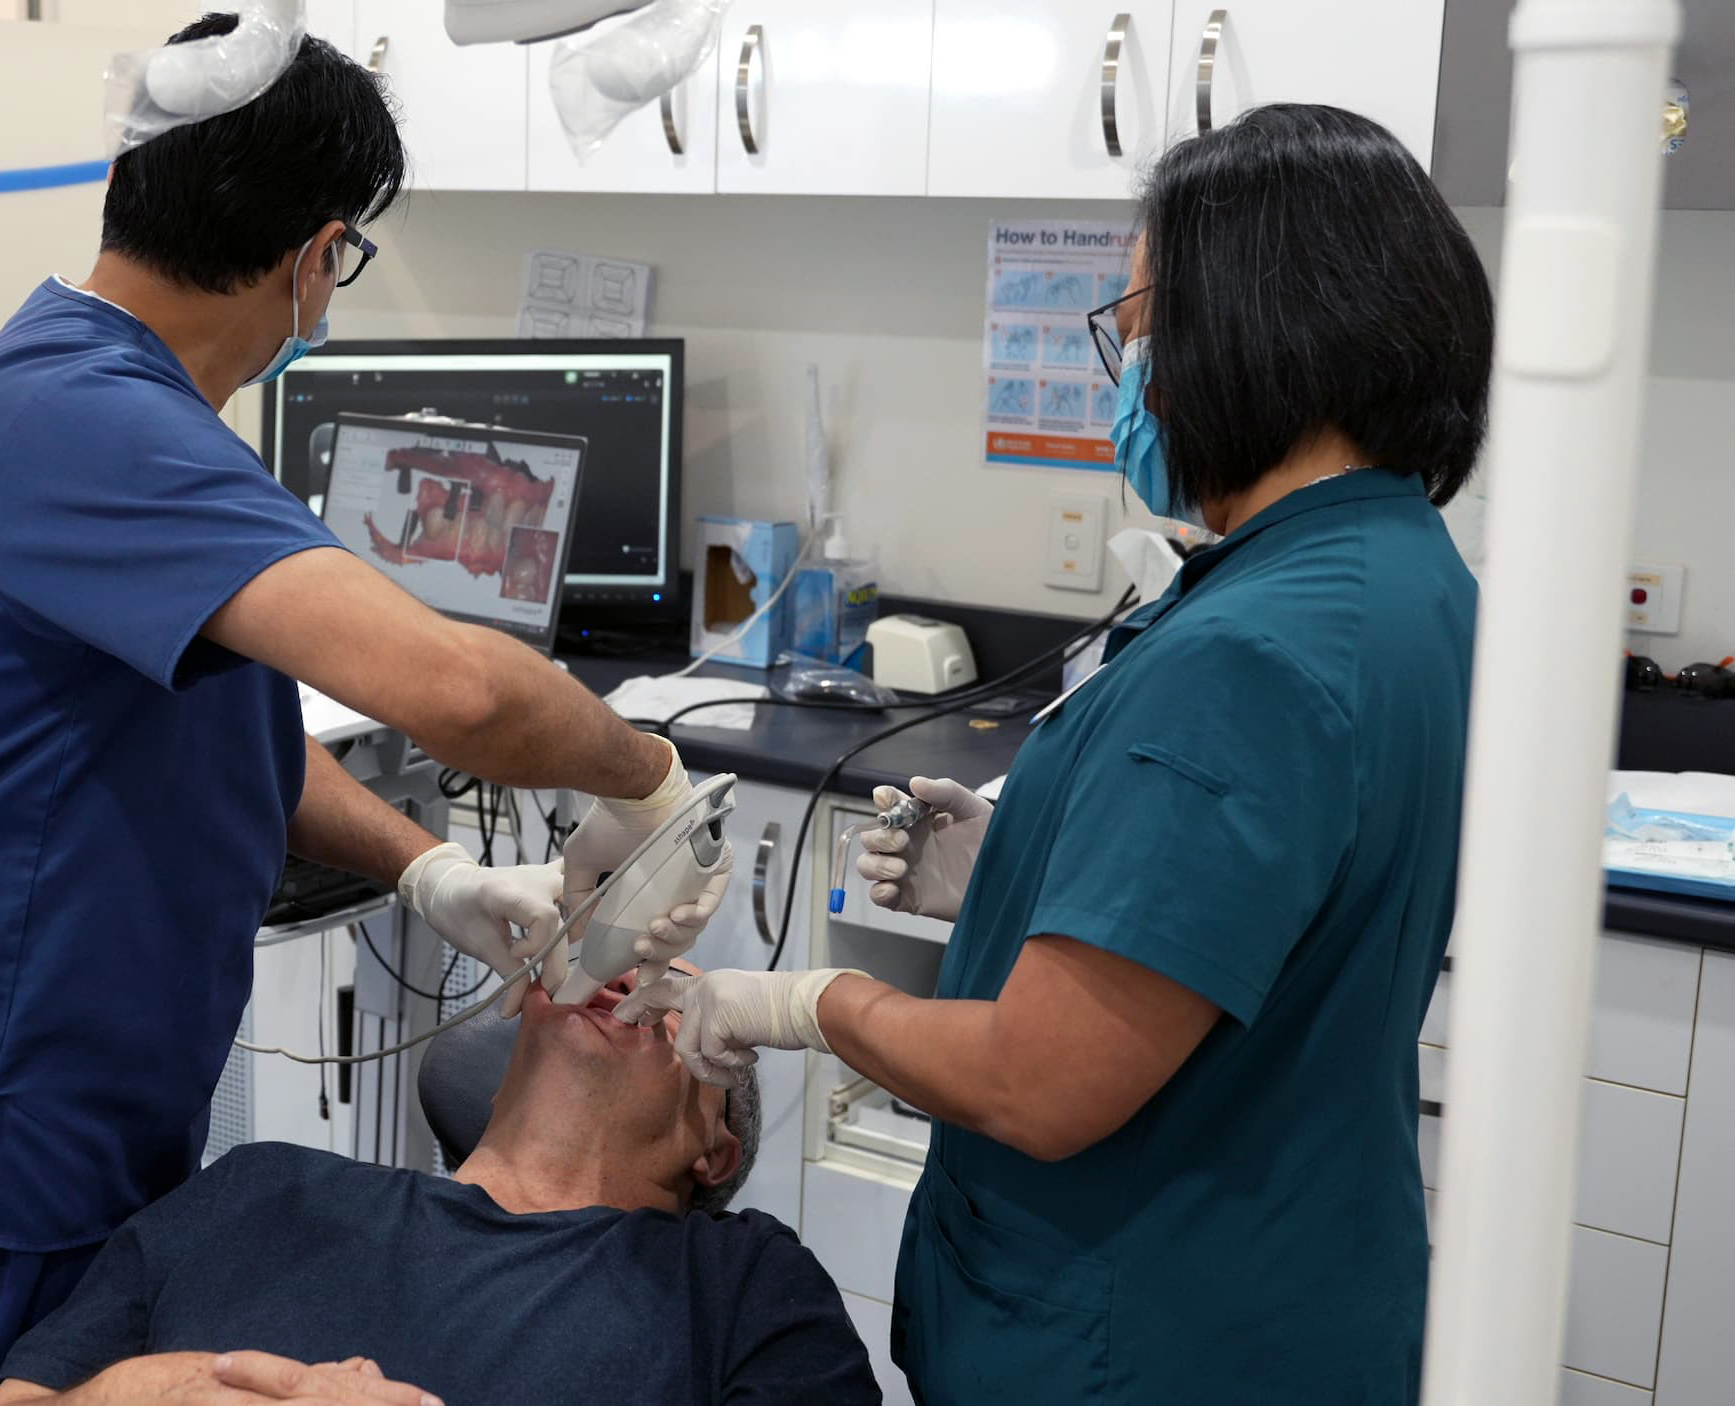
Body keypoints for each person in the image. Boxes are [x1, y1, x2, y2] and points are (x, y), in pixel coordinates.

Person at [0, 18, 727, 1405]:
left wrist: (430, 867)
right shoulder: (86, 423)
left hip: (40, 1105)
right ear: (316, 255)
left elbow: (237, 748)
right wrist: (645, 779)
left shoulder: (107, 411)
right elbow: (459, 688)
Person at [621, 104, 1493, 1403]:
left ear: (1248, 327)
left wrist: (803, 1002)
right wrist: (1031, 872)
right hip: (1294, 1293)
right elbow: (1272, 905)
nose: (1122, 371)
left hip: (1141, 1332)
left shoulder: (1245, 653)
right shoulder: (1411, 583)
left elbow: (1040, 1085)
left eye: (1133, 327)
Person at [0, 968, 880, 1406]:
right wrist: (172, 1391)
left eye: (682, 999)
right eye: (624, 967)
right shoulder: (264, 1184)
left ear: (713, 1151)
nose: (636, 979)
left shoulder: (740, 1285)